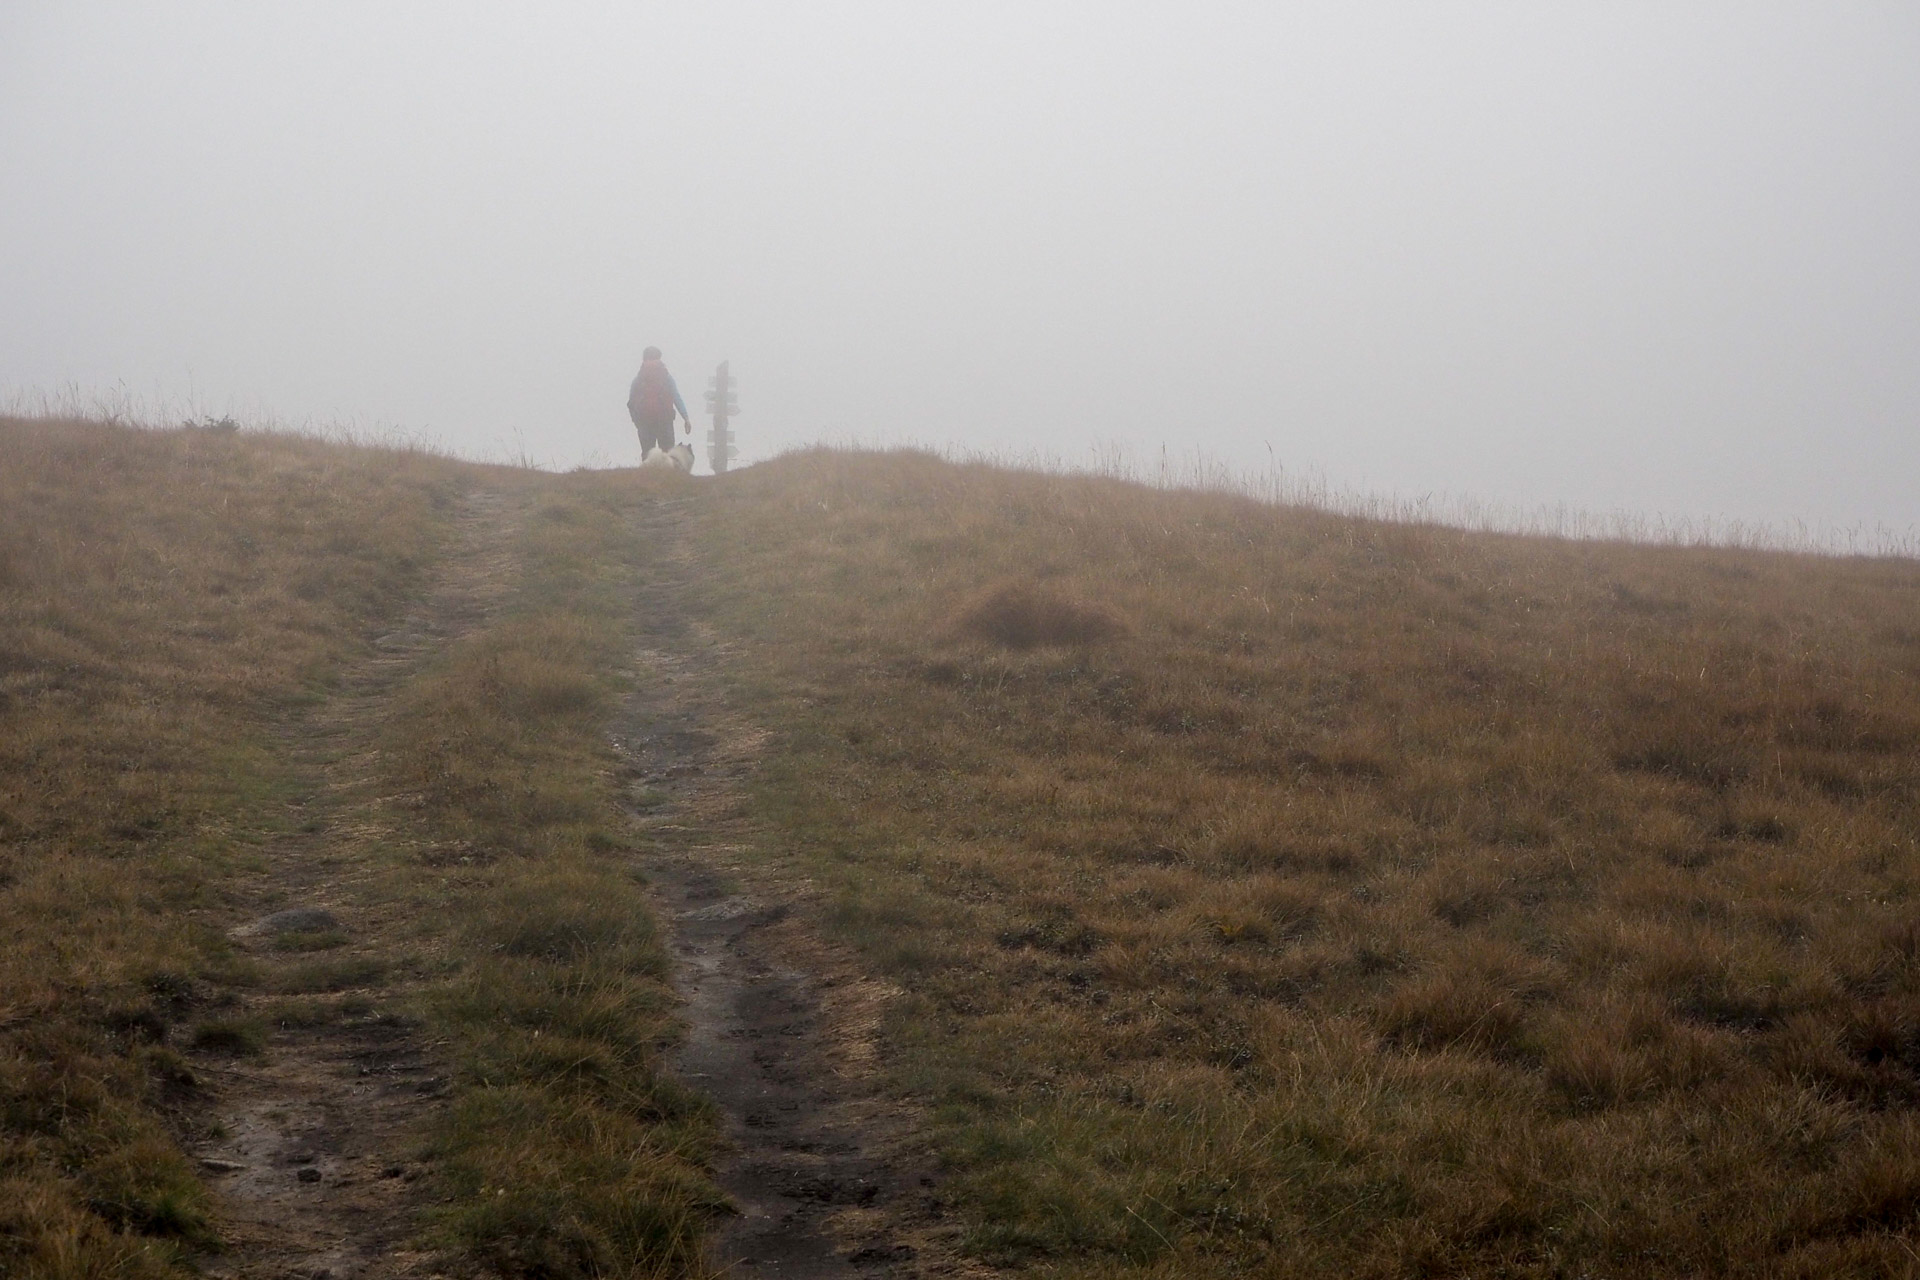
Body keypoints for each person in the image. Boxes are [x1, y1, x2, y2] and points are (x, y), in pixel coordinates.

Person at [627, 347, 691, 458]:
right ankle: (667, 475)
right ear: (659, 358)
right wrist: (686, 418)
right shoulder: (666, 377)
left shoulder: (638, 379)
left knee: (648, 456)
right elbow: (677, 398)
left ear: (644, 359)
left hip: (644, 421)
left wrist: (636, 421)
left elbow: (631, 403)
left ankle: (647, 475)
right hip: (665, 420)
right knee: (668, 456)